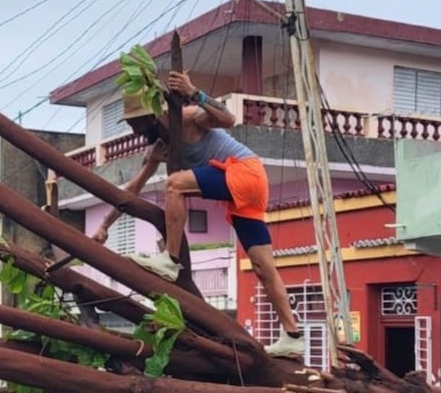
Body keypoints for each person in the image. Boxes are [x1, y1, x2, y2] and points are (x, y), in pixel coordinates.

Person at [92, 68, 304, 359]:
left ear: (152, 116)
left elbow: (229, 119)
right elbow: (132, 191)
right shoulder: (158, 150)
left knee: (175, 184)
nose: (135, 132)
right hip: (244, 192)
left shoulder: (187, 118)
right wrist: (105, 225)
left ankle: (170, 259)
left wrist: (194, 92)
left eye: (137, 124)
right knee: (262, 268)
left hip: (244, 172)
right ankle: (293, 336)